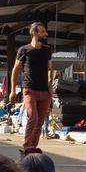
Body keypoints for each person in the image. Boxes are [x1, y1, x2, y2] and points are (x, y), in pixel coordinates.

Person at [9, 21, 52, 156]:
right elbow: (15, 70)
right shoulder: (24, 50)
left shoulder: (47, 50)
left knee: (39, 122)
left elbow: (50, 68)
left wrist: (50, 83)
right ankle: (27, 148)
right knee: (33, 116)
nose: (46, 34)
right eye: (43, 31)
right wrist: (12, 90)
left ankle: (33, 148)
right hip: (29, 90)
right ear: (34, 33)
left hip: (45, 92)